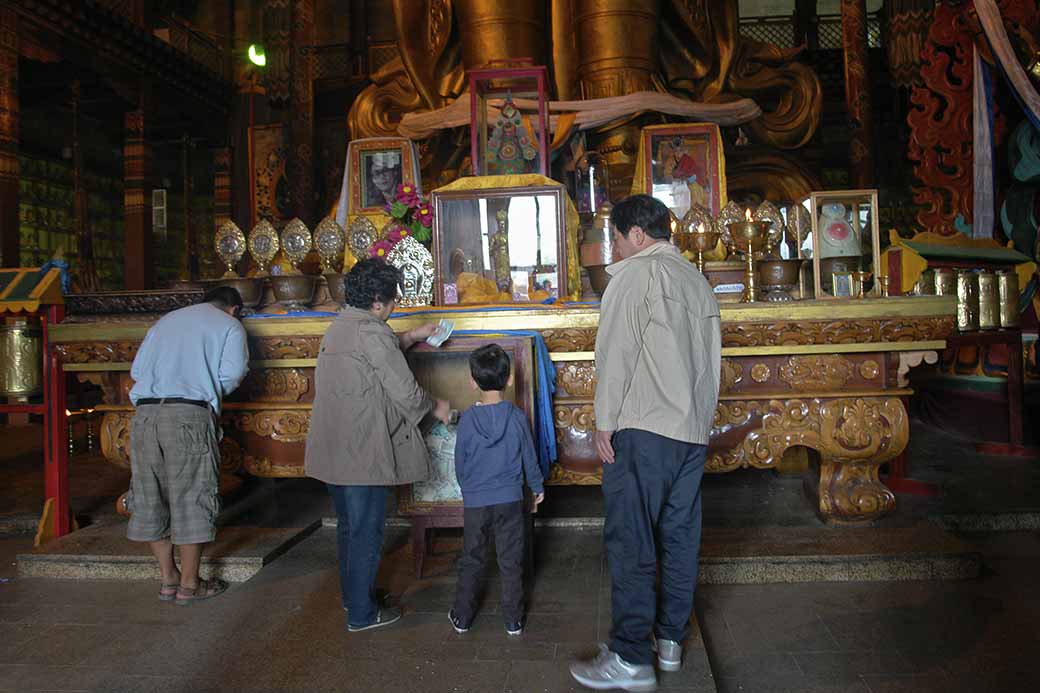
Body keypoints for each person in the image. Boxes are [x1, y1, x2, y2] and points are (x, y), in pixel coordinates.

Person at [570, 195, 721, 692]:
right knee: (679, 537)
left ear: (636, 234)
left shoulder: (634, 275)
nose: (613, 250)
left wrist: (605, 422)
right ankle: (669, 642)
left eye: (614, 239)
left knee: (631, 540)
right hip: (690, 433)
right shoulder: (697, 281)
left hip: (644, 429)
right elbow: (710, 365)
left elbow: (615, 354)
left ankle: (632, 658)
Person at [305, 258, 451, 632]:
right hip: (362, 451)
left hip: (336, 447)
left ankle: (354, 597)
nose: (394, 305)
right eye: (391, 300)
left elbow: (376, 349)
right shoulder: (373, 333)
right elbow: (404, 390)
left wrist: (412, 336)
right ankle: (362, 615)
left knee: (349, 528)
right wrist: (437, 408)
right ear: (376, 301)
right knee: (367, 531)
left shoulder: (342, 325)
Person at [127, 286, 249, 606]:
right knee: (192, 495)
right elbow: (233, 373)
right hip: (188, 414)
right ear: (234, 308)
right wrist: (204, 389)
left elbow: (137, 371)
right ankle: (190, 585)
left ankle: (168, 579)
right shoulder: (229, 325)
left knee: (149, 496)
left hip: (144, 416)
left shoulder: (166, 320)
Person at [448, 344, 545, 637]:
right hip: (510, 499)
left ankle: (462, 617)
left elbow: (460, 462)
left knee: (472, 558)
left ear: (472, 382)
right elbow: (529, 455)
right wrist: (537, 487)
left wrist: (470, 491)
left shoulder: (466, 421)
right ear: (510, 379)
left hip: (477, 502)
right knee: (510, 558)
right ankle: (513, 620)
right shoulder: (516, 418)